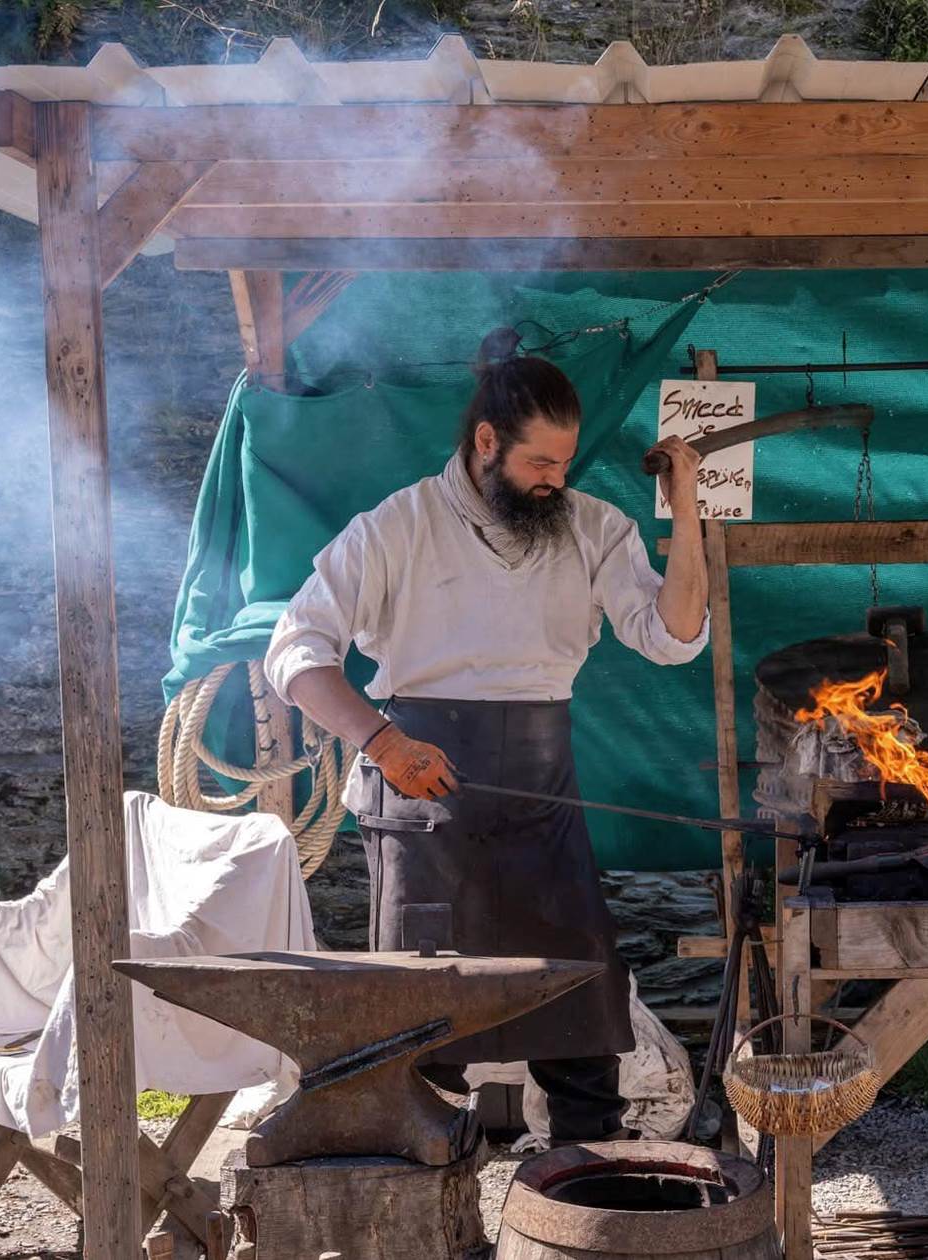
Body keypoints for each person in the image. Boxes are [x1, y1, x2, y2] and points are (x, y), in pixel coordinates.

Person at [264, 326, 708, 1143]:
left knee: (578, 1006)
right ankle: (420, 1182)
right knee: (419, 1023)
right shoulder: (394, 527)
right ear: (484, 441)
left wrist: (688, 514)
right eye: (540, 463)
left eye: (564, 466)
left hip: (543, 790)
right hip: (421, 787)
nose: (554, 483)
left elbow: (673, 636)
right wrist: (384, 742)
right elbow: (293, 653)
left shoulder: (593, 527)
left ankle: (585, 1189)